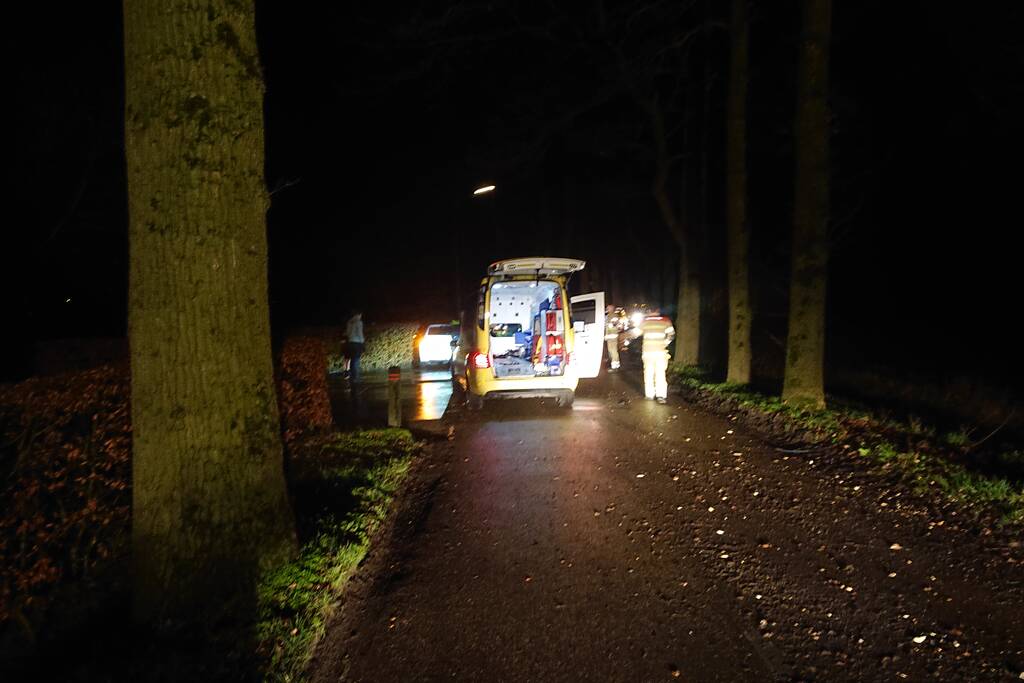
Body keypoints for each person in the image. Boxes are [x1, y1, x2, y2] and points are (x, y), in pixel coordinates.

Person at [639, 307, 674, 403]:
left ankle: (650, 395)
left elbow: (636, 333)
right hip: (660, 352)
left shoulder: (644, 322)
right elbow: (671, 335)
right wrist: (664, 343)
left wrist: (625, 339)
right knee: (660, 374)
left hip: (648, 352)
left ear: (649, 311)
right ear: (658, 311)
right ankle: (661, 396)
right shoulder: (666, 321)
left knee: (648, 373)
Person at [345, 310, 365, 382]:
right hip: (357, 343)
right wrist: (362, 342)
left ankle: (352, 376)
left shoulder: (349, 322)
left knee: (352, 360)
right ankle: (356, 377)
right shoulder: (359, 322)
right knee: (356, 360)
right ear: (359, 314)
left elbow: (347, 333)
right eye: (360, 315)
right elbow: (360, 333)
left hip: (350, 343)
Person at [604, 305, 621, 371]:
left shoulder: (614, 315)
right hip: (610, 336)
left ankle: (615, 367)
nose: (607, 309)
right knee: (611, 351)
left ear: (612, 309)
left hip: (613, 335)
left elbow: (615, 324)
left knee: (613, 351)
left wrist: (609, 325)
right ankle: (615, 365)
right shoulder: (609, 315)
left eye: (608, 308)